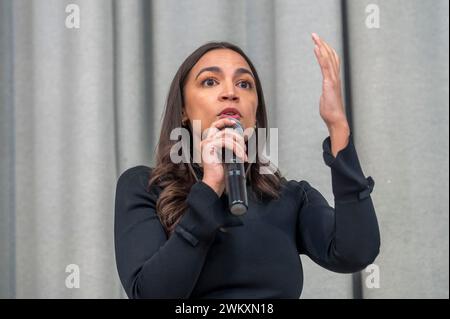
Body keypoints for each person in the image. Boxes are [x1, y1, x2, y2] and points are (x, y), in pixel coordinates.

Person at [114, 35, 380, 299]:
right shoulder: (144, 187)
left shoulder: (289, 197)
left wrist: (337, 125)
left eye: (244, 84)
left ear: (255, 111)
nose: (231, 92)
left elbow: (356, 252)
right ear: (183, 109)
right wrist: (209, 189)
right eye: (210, 81)